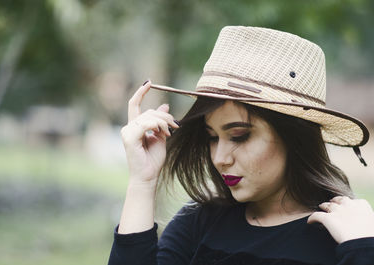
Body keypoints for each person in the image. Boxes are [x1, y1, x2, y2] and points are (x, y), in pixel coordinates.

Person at [108, 26, 374, 265]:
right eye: (212, 137)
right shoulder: (200, 222)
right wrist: (142, 183)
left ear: (294, 137)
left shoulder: (345, 236)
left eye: (239, 136)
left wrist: (363, 249)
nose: (220, 158)